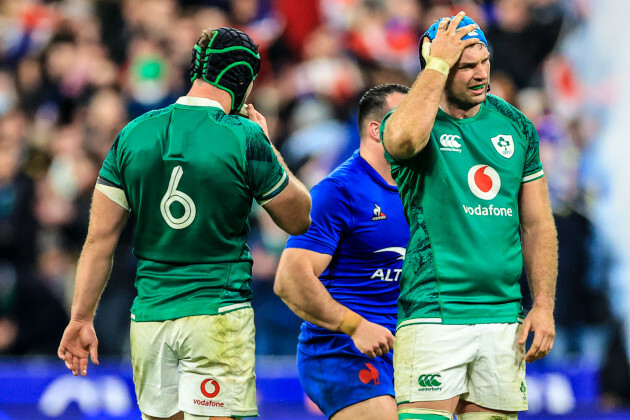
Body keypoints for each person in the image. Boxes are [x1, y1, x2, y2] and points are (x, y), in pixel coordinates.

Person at [57, 27, 311, 420]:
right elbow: (298, 218)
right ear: (243, 81)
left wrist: (80, 318)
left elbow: (98, 242)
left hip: (150, 320)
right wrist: (268, 143)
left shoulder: (133, 135)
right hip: (217, 316)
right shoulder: (245, 137)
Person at [380, 12, 558, 420]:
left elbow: (537, 223)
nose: (481, 74)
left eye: (484, 62)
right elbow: (403, 141)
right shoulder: (410, 122)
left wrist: (544, 305)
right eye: (465, 66)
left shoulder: (516, 125)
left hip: (503, 318)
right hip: (434, 313)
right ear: (438, 69)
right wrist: (438, 64)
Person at [274, 84, 410, 420]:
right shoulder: (338, 192)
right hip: (343, 351)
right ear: (376, 130)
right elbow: (289, 279)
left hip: (407, 349)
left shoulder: (419, 187)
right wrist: (355, 326)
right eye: (405, 117)